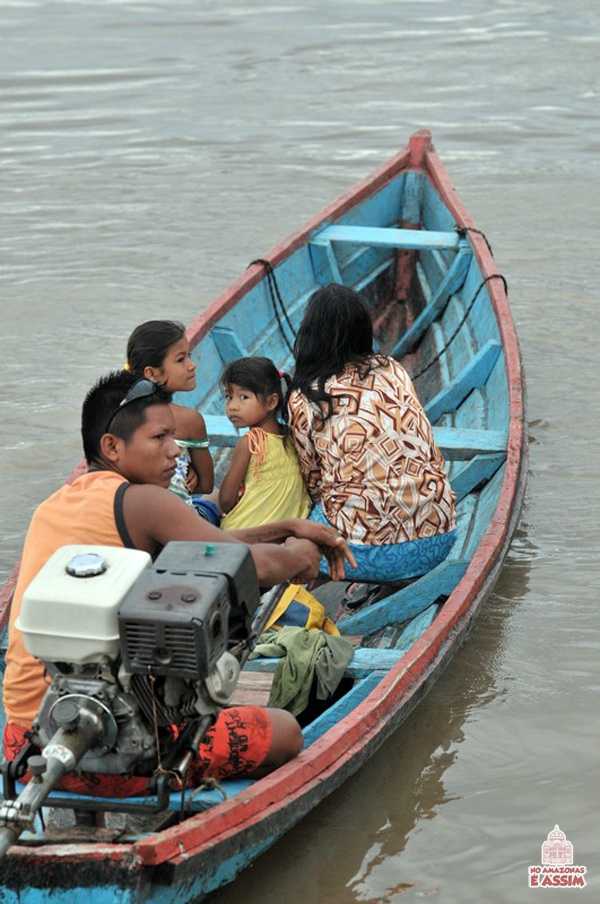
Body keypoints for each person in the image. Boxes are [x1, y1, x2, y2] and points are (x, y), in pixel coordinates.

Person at [3, 370, 354, 795]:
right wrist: (299, 555)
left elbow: (210, 543)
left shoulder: (58, 505)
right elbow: (245, 565)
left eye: (175, 437)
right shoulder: (143, 501)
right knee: (285, 732)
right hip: (120, 755)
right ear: (112, 447)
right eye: (160, 439)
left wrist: (287, 526)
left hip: (25, 745)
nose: (175, 452)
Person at [287, 283, 457, 583]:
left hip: (364, 554)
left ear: (310, 336)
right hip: (440, 539)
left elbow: (312, 482)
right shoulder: (392, 369)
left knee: (289, 538)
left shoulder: (304, 398)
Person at [126, 319, 219, 524]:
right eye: (180, 359)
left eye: (189, 356)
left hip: (137, 521)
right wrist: (186, 469)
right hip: (184, 523)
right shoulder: (189, 421)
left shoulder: (120, 414)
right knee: (220, 497)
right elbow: (205, 485)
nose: (191, 365)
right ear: (151, 373)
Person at [219, 357, 310, 530]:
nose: (232, 406)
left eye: (243, 397)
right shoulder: (292, 435)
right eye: (229, 397)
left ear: (271, 402)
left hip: (245, 531)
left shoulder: (250, 442)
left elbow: (226, 501)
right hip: (286, 534)